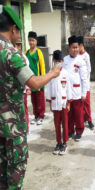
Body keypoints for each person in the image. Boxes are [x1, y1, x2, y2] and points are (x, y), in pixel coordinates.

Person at [0, 6, 60, 189]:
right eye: (19, 31)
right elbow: (33, 82)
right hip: (13, 128)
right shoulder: (12, 55)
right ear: (13, 29)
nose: (20, 36)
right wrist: (53, 73)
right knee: (15, 170)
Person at [46, 50, 72, 155]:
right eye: (56, 60)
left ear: (62, 61)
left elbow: (68, 89)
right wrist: (50, 103)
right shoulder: (50, 73)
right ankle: (58, 142)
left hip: (64, 103)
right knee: (57, 125)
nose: (58, 62)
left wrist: (69, 103)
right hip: (55, 103)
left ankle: (64, 143)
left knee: (65, 124)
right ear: (53, 61)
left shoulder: (65, 73)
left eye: (60, 60)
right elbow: (48, 89)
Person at [62, 35, 88, 142]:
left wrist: (84, 93)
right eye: (73, 47)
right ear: (69, 48)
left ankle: (79, 130)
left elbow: (84, 78)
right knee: (69, 113)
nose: (75, 50)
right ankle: (70, 130)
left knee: (78, 114)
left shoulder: (81, 60)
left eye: (77, 47)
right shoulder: (64, 60)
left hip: (77, 93)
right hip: (68, 93)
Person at [25, 31, 46, 125]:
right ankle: (36, 116)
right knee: (33, 100)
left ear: (36, 41)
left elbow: (42, 67)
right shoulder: (26, 53)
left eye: (33, 40)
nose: (31, 42)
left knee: (40, 99)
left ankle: (41, 116)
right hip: (30, 81)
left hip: (39, 81)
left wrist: (43, 80)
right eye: (29, 40)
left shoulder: (38, 52)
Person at [77, 36, 94, 130]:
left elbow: (89, 70)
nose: (76, 48)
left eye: (77, 46)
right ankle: (83, 118)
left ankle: (89, 119)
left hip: (85, 84)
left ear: (81, 45)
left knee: (87, 103)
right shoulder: (76, 56)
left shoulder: (86, 56)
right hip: (78, 84)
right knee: (80, 103)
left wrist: (85, 82)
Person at [15, 39, 31, 132]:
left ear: (20, 47)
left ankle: (26, 128)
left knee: (23, 110)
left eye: (16, 46)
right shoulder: (10, 56)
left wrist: (28, 88)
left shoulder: (23, 58)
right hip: (14, 90)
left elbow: (28, 75)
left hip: (22, 89)